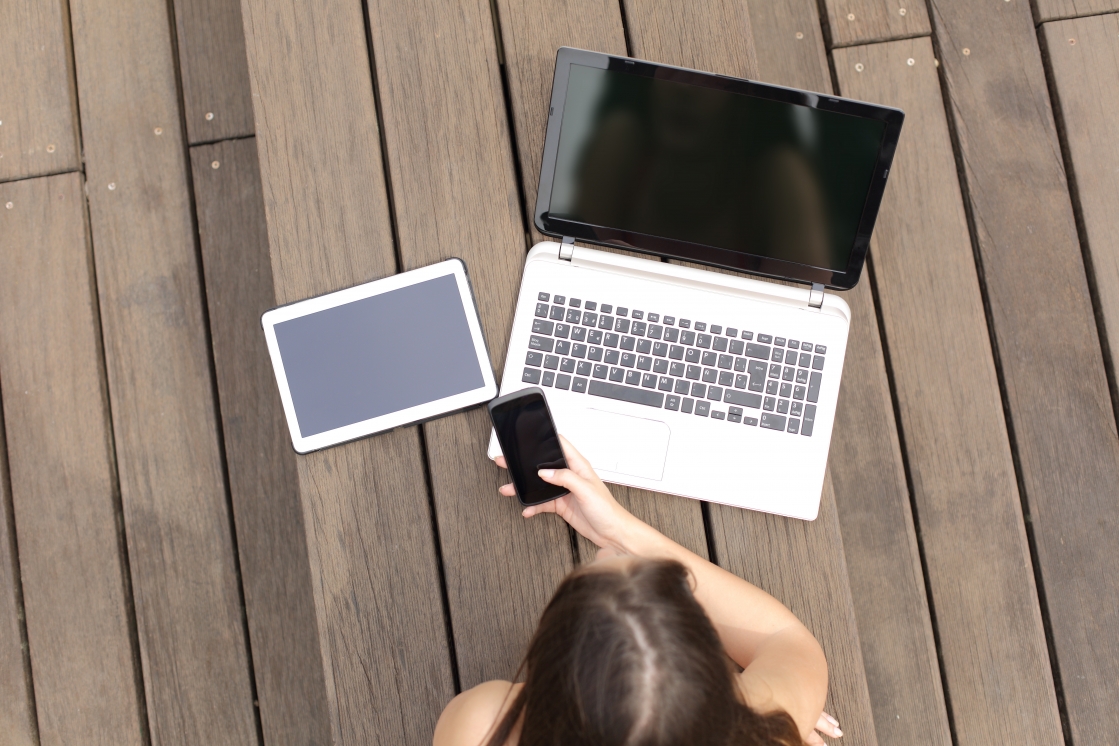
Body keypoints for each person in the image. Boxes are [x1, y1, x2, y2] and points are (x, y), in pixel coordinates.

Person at [434, 437, 843, 746]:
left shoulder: (480, 727)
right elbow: (786, 641)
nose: (609, 551)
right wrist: (765, 717)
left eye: (598, 565)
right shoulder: (758, 729)